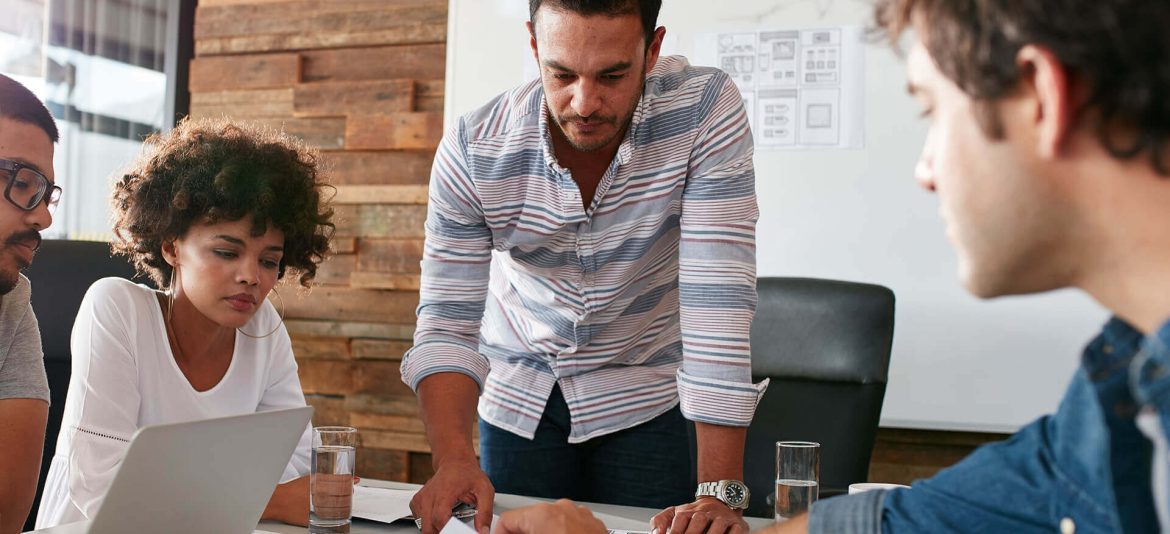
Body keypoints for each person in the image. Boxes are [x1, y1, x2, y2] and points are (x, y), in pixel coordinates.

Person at [501, 0, 1170, 532]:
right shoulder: (1114, 405)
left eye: (933, 111)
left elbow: (716, 300)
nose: (926, 170)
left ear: (1043, 97)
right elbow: (907, 521)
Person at [401, 0, 766, 532]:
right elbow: (447, 325)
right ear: (534, 45)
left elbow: (718, 302)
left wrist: (718, 493)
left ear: (652, 50)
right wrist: (452, 459)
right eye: (562, 74)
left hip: (642, 389)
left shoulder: (704, 111)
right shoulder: (475, 149)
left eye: (612, 76)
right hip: (521, 391)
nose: (585, 102)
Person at [35, 118, 334, 528]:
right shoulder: (117, 308)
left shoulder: (263, 329)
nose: (251, 276)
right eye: (227, 252)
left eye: (269, 261)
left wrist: (217, 493)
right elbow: (103, 489)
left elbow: (297, 464)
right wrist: (271, 501)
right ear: (171, 247)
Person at [0, 74, 61, 534]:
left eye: (46, 194)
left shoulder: (11, 304)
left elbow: (5, 515)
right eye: (23, 183)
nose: (43, 216)